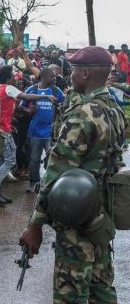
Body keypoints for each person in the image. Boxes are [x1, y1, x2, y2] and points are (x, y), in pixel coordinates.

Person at [19, 46, 127, 303]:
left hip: (77, 217)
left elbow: (56, 172)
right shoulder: (114, 109)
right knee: (101, 289)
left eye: (75, 71)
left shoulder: (83, 113)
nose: (70, 76)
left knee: (71, 294)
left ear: (86, 73)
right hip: (101, 217)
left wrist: (35, 225)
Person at [0, 66, 56, 206]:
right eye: (13, 75)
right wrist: (45, 96)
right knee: (10, 161)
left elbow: (10, 108)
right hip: (3, 130)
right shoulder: (8, 88)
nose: (15, 77)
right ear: (7, 78)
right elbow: (26, 96)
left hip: (3, 128)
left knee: (3, 160)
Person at [21, 68, 65, 193]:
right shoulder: (32, 90)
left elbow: (65, 103)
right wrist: (29, 111)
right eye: (52, 76)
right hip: (34, 132)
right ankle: (33, 181)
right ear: (44, 77)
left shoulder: (56, 91)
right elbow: (21, 106)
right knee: (34, 159)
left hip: (50, 132)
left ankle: (50, 182)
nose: (55, 78)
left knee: (53, 157)